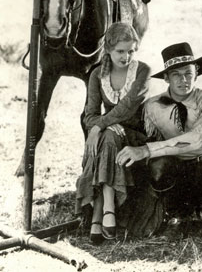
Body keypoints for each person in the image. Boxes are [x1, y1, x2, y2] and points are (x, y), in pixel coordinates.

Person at [116, 42, 202, 229]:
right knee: (160, 167)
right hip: (181, 171)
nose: (183, 80)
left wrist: (145, 150)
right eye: (176, 74)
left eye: (188, 74)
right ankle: (177, 209)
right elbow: (125, 124)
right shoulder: (152, 107)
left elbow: (196, 139)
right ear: (166, 78)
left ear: (197, 74)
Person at [75, 22, 151, 244]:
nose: (126, 57)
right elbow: (89, 115)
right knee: (109, 136)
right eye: (120, 51)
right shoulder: (97, 74)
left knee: (107, 135)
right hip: (110, 135)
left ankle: (100, 211)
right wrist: (101, 126)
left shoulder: (143, 71)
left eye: (131, 51)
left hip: (137, 134)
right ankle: (106, 207)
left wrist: (100, 126)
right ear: (107, 49)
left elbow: (128, 106)